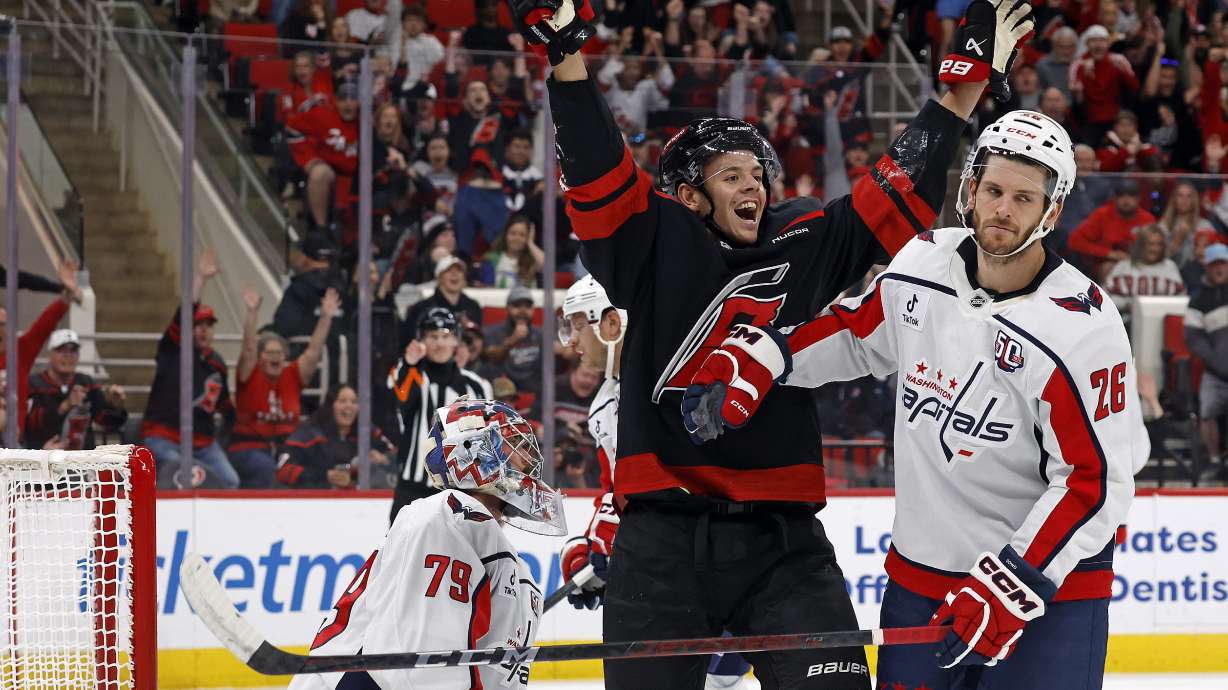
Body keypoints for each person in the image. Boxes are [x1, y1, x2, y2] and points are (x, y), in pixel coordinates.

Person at [509, 0, 1027, 685]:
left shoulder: (802, 235)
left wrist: (960, 90)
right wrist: (566, 53)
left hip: (783, 544)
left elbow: (892, 194)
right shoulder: (651, 240)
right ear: (689, 196)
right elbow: (600, 175)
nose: (754, 186)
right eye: (732, 176)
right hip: (660, 538)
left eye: (759, 176)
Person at [696, 108, 1147, 689]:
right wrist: (771, 357)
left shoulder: (1082, 328)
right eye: (992, 189)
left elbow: (1094, 480)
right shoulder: (925, 261)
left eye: (1023, 198)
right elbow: (858, 335)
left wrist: (1016, 582)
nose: (1002, 209)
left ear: (1052, 210)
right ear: (971, 188)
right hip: (921, 582)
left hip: (1045, 597)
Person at [287, 398, 564, 690]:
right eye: (516, 447)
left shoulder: (497, 548)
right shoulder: (448, 516)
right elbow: (422, 665)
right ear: (475, 451)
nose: (529, 461)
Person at [140, 249, 239, 489]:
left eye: (208, 326)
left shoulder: (217, 364)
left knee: (230, 481)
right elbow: (183, 316)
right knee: (178, 474)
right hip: (164, 437)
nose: (203, 330)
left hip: (203, 444)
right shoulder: (173, 349)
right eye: (198, 325)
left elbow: (225, 406)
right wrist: (200, 279)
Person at [229, 286, 341, 488]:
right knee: (270, 471)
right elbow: (247, 349)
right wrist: (252, 313)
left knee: (315, 468)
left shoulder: (292, 375)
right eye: (269, 352)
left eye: (279, 353)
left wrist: (325, 318)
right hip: (250, 448)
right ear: (259, 357)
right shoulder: (249, 374)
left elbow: (314, 352)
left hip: (287, 448)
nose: (275, 356)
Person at [387, 308, 492, 520]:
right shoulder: (407, 373)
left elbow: (485, 437)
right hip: (412, 488)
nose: (440, 343)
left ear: (456, 340)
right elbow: (401, 399)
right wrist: (409, 364)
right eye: (432, 336)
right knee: (401, 552)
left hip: (460, 489)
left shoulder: (477, 386)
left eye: (446, 336)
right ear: (421, 340)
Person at [0, 259, 81, 435]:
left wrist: (67, 293)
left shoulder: (19, 351)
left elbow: (46, 324)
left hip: (13, 447)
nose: (1, 330)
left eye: (4, 324)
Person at [276, 384, 397, 490]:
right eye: (343, 401)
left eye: (354, 402)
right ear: (330, 405)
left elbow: (400, 458)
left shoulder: (367, 431)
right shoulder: (309, 434)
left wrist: (384, 459)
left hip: (364, 504)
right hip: (316, 504)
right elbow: (283, 471)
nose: (349, 406)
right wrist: (326, 476)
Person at [24, 329, 127, 451]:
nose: (68, 356)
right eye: (61, 350)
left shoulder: (87, 383)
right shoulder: (34, 384)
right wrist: (65, 406)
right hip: (42, 457)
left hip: (83, 459)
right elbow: (30, 425)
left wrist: (114, 406)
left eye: (73, 351)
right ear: (50, 355)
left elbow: (106, 422)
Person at [1184, 243, 1228, 482]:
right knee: (1208, 410)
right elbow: (1194, 338)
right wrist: (1219, 364)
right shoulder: (1198, 299)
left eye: (1223, 263)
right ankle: (1214, 460)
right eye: (1215, 265)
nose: (1219, 268)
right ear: (1207, 267)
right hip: (1215, 371)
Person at [1065, 179, 1156, 279]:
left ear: (1138, 198)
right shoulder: (1102, 215)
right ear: (1114, 198)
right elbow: (1074, 240)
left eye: (1131, 195)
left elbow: (1155, 246)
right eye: (1121, 195)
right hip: (1108, 264)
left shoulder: (1147, 219)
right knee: (1108, 267)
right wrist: (1109, 253)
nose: (1126, 200)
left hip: (1141, 263)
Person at [1103, 225, 1185, 324]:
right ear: (1141, 245)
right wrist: (1127, 304)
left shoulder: (1169, 267)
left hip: (1162, 323)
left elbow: (1180, 301)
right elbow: (1105, 299)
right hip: (1125, 321)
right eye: (1151, 244)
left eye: (1159, 245)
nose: (1155, 249)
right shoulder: (1124, 266)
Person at [401, 255, 484, 348]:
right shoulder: (422, 308)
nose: (455, 275)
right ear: (439, 278)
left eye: (459, 271)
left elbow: (479, 342)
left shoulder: (473, 307)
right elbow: (410, 341)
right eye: (449, 271)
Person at [481, 285, 544, 394]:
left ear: (533, 309)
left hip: (537, 390)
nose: (522, 311)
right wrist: (512, 340)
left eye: (527, 306)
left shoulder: (541, 334)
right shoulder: (492, 332)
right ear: (507, 308)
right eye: (517, 306)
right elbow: (490, 358)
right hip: (503, 391)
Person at [478, 214, 544, 287]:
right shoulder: (492, 259)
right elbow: (489, 290)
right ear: (505, 235)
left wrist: (530, 243)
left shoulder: (533, 260)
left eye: (522, 235)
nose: (516, 238)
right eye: (513, 233)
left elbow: (548, 266)